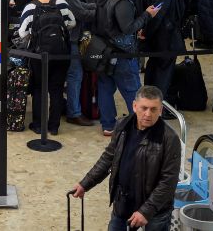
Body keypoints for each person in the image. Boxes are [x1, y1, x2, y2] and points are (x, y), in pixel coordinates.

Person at [70, 86, 181, 231]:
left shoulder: (169, 139)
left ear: (160, 110)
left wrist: (146, 211)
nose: (148, 114)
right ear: (134, 106)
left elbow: (168, 181)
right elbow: (108, 158)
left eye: (154, 109)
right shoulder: (123, 126)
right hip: (123, 201)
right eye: (144, 108)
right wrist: (85, 184)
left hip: (155, 210)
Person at [94, 0, 161, 136]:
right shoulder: (122, 1)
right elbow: (128, 28)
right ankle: (141, 126)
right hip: (122, 54)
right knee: (134, 92)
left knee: (105, 89)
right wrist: (147, 15)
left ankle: (108, 126)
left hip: (104, 50)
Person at [17, 0, 76, 135]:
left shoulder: (30, 7)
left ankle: (38, 125)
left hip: (39, 55)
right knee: (56, 89)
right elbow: (72, 22)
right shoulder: (61, 2)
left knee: (39, 89)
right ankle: (54, 126)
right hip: (61, 53)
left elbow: (22, 33)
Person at [132, 0, 186, 98]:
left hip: (148, 33)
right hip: (164, 37)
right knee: (163, 72)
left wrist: (142, 30)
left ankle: (148, 99)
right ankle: (159, 104)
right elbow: (158, 14)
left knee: (152, 67)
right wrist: (146, 32)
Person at [50, 0, 96, 127]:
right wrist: (102, 11)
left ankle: (71, 108)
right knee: (75, 75)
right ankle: (74, 113)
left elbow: (78, 5)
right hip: (71, 38)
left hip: (65, 37)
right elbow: (81, 13)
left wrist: (95, 6)